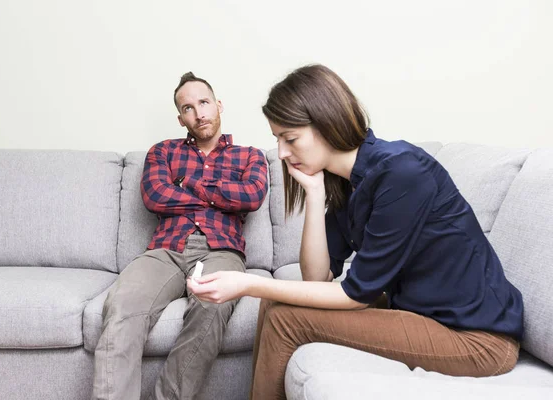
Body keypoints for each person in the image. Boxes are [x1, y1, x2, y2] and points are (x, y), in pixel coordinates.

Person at [187, 64, 524, 399]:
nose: (283, 153)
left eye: (290, 139)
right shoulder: (346, 181)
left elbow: (354, 294)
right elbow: (317, 276)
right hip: (419, 312)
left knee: (285, 320)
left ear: (327, 123)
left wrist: (249, 283)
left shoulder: (400, 172)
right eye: (278, 140)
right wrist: (315, 194)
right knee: (274, 301)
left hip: (477, 338)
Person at [92, 72, 268, 400]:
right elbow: (156, 196)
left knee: (211, 307)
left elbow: (252, 195)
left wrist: (188, 183)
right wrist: (220, 194)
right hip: (166, 249)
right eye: (188, 108)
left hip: (221, 250)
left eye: (203, 103)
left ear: (218, 105)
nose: (198, 113)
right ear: (180, 118)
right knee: (122, 305)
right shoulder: (163, 152)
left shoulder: (250, 156)